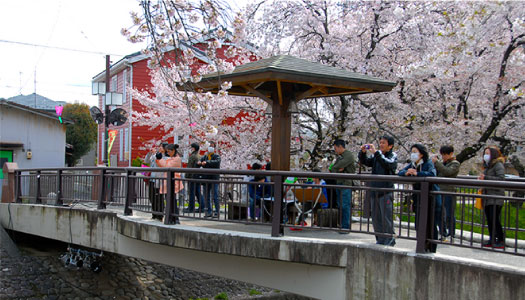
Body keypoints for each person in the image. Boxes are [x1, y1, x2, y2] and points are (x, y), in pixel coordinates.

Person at [398, 144, 440, 252]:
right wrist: (407, 173)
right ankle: (421, 244)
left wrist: (418, 173)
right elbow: (399, 172)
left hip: (430, 196)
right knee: (419, 221)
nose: (413, 154)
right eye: (412, 152)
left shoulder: (428, 163)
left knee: (430, 222)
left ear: (421, 154)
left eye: (415, 152)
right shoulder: (412, 164)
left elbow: (432, 174)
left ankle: (431, 247)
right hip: (418, 196)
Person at [359, 135, 398, 246]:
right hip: (374, 190)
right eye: (380, 143)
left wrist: (377, 153)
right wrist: (362, 153)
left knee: (386, 217)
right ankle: (380, 239)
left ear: (390, 146)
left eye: (383, 143)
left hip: (386, 190)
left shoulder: (392, 155)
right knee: (376, 218)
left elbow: (388, 164)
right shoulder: (377, 156)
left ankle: (390, 238)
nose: (381, 145)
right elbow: (366, 162)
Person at [478, 146, 506, 249]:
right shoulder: (487, 166)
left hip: (496, 197)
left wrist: (486, 178)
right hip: (488, 196)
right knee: (489, 219)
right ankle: (492, 239)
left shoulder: (498, 165)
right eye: (485, 153)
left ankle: (501, 240)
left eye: (488, 153)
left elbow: (501, 179)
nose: (486, 155)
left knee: (495, 219)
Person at [432, 145, 460, 240]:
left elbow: (447, 172)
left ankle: (451, 233)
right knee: (440, 213)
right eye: (442, 155)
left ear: (451, 154)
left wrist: (437, 163)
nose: (443, 156)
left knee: (449, 213)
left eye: (445, 154)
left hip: (449, 191)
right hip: (440, 190)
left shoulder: (455, 164)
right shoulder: (443, 163)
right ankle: (443, 232)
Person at [329, 139, 356, 232]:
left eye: (336, 148)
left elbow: (337, 166)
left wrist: (339, 168)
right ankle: (341, 225)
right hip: (339, 182)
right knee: (340, 205)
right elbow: (332, 168)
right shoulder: (340, 156)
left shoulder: (348, 155)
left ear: (340, 147)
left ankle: (345, 226)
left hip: (346, 183)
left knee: (345, 205)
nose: (335, 150)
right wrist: (338, 168)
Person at [156, 144, 183, 224]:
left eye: (169, 151)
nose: (168, 153)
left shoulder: (177, 159)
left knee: (172, 200)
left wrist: (160, 159)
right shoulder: (172, 158)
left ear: (173, 151)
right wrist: (158, 158)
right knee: (168, 200)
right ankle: (171, 217)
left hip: (173, 182)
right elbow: (163, 164)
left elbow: (166, 165)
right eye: (167, 151)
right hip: (168, 182)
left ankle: (175, 218)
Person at [198, 141, 221, 218]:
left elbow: (216, 162)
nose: (210, 147)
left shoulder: (217, 156)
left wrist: (207, 162)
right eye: (209, 146)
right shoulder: (204, 156)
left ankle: (217, 211)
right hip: (206, 178)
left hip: (214, 178)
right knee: (206, 196)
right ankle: (208, 211)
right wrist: (199, 163)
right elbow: (199, 162)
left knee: (215, 196)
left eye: (212, 146)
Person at [145, 143, 168, 220]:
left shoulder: (165, 157)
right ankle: (154, 213)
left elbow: (161, 163)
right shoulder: (155, 155)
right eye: (160, 146)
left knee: (159, 198)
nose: (159, 148)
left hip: (159, 179)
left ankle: (160, 214)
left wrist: (155, 154)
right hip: (152, 178)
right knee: (151, 197)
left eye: (161, 146)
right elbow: (147, 161)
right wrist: (150, 153)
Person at [184, 142, 203, 213]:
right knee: (198, 192)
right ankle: (202, 206)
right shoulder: (199, 156)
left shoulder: (193, 156)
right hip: (197, 176)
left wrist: (187, 176)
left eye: (191, 147)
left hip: (192, 177)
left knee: (192, 192)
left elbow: (189, 167)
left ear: (194, 148)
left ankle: (191, 207)